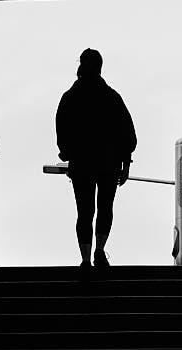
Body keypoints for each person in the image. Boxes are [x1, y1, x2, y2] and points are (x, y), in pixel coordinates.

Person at [55, 48, 137, 268]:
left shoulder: (70, 97)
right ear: (100, 67)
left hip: (81, 162)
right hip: (109, 162)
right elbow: (127, 133)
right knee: (105, 207)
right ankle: (99, 251)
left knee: (84, 211)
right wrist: (125, 162)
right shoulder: (112, 97)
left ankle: (84, 258)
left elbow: (62, 130)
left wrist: (67, 152)